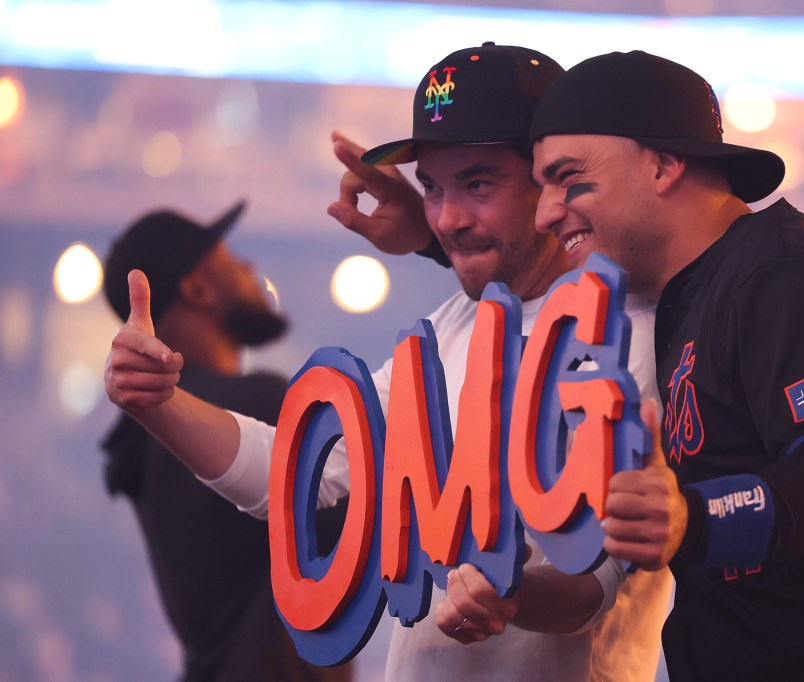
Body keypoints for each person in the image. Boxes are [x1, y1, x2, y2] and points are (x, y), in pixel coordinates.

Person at [105, 44, 672, 681]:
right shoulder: (448, 328)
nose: (449, 217)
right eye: (432, 187)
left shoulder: (635, 334)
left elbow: (601, 582)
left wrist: (512, 595)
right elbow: (297, 475)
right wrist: (159, 403)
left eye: (478, 183)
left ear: (549, 177)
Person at [526, 50, 804, 681]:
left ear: (665, 163)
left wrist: (695, 520)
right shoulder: (690, 291)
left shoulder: (792, 278)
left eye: (569, 179)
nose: (544, 213)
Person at [100, 202, 350, 681]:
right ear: (197, 287)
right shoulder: (257, 401)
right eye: (228, 255)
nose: (248, 267)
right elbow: (365, 514)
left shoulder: (146, 438)